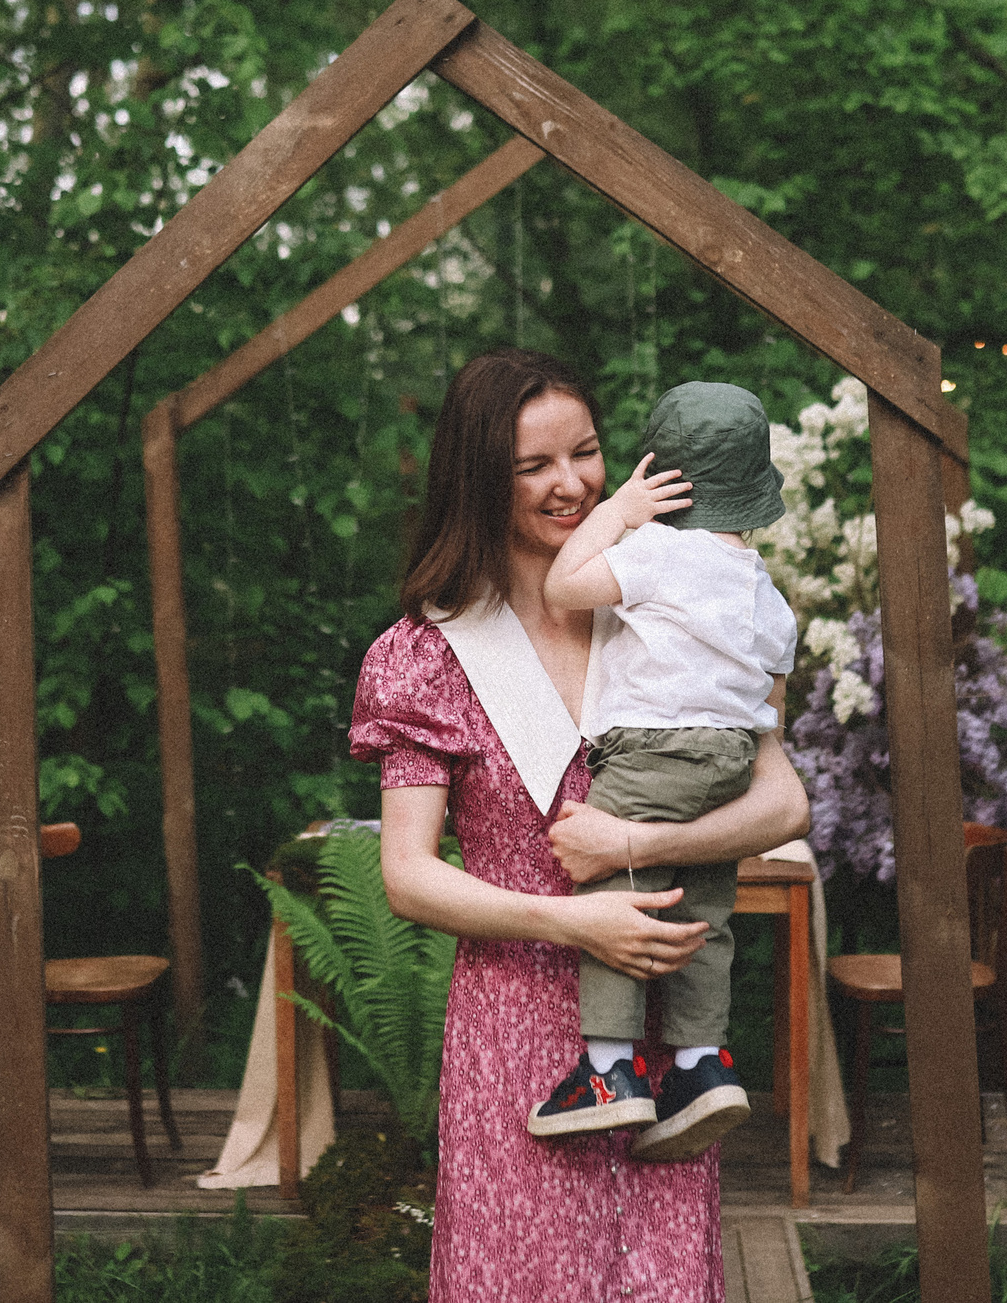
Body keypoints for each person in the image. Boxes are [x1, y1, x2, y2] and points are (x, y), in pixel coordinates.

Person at [351, 349, 811, 1303]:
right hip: (515, 1030)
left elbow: (783, 803)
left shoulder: (664, 604)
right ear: (480, 480)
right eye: (534, 466)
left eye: (588, 452)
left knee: (664, 1278)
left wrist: (639, 848)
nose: (571, 484)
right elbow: (407, 874)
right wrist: (574, 920)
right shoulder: (428, 651)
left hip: (663, 1035)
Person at [528, 381, 796, 1163]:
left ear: (661, 479)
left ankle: (610, 1067)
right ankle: (700, 1062)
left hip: (652, 749)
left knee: (620, 894)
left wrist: (616, 513)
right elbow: (770, 703)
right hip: (733, 756)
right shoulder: (766, 591)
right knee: (702, 907)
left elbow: (563, 588)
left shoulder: (658, 551)